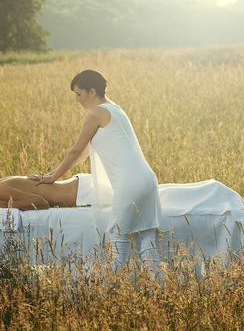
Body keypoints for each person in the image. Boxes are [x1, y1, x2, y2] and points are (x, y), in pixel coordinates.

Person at [28, 70, 161, 275]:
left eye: (79, 94)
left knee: (118, 239)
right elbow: (84, 153)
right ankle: (158, 290)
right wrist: (52, 174)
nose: (77, 100)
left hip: (130, 184)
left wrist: (51, 178)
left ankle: (107, 290)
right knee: (146, 237)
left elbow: (75, 150)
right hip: (148, 181)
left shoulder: (95, 113)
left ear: (92, 92)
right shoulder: (115, 108)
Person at [0, 174, 98, 220]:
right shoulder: (0, 186)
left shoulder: (2, 190)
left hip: (84, 192)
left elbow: (41, 203)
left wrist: (3, 204)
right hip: (80, 188)